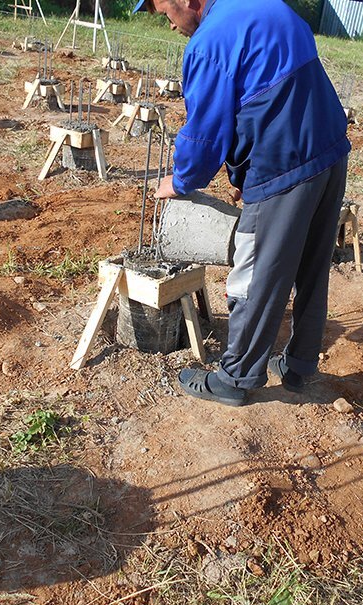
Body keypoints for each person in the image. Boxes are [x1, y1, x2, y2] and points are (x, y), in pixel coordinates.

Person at [134, 0, 350, 406]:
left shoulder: (209, 42)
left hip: (285, 164)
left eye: (166, 12)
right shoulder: (264, 6)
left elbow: (206, 133)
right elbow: (269, 99)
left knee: (254, 273)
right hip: (329, 152)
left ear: (187, 1)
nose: (170, 24)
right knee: (311, 265)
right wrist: (244, 177)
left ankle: (235, 379)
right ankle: (300, 365)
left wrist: (181, 182)